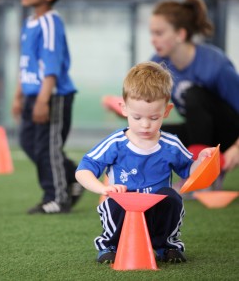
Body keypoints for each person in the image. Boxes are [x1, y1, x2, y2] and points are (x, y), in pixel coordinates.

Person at [75, 61, 215, 264]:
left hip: (156, 208)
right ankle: (110, 245)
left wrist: (201, 161)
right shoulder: (116, 143)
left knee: (172, 197)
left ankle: (166, 245)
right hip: (125, 206)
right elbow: (84, 169)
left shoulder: (171, 144)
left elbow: (189, 171)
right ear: (124, 108)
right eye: (137, 117)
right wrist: (103, 189)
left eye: (154, 117)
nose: (145, 124)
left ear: (166, 111)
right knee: (114, 200)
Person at [149, 0, 239, 185]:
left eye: (159, 33)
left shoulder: (217, 65)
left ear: (180, 34)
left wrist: (237, 148)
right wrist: (128, 110)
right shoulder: (158, 64)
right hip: (199, 131)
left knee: (194, 95)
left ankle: (204, 174)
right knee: (150, 133)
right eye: (152, 33)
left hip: (229, 135)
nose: (153, 40)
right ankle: (148, 183)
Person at [12, 0, 83, 214]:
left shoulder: (50, 22)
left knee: (47, 148)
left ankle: (57, 198)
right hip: (33, 94)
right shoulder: (29, 22)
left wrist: (43, 100)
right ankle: (73, 176)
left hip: (52, 95)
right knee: (28, 142)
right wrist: (19, 95)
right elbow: (27, 63)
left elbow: (51, 67)